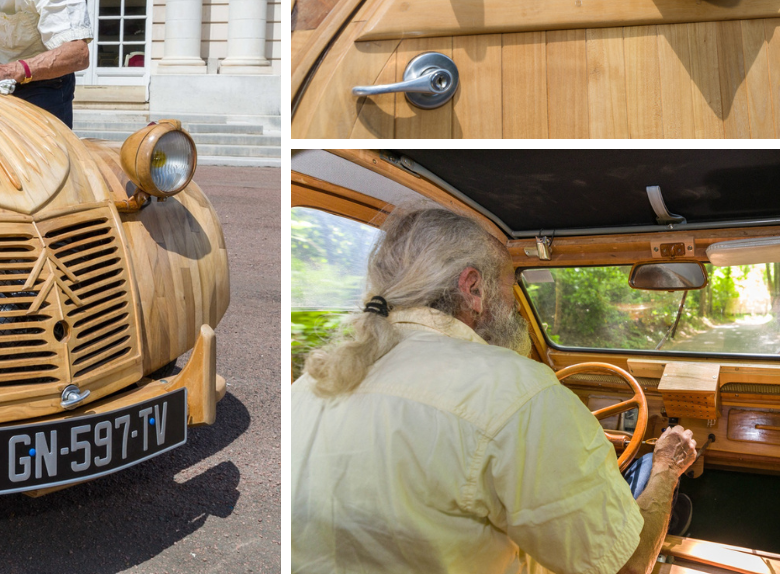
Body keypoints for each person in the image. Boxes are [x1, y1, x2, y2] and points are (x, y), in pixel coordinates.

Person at [292, 206, 697, 574]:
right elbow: (627, 566)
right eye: (509, 285)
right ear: (472, 288)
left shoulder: (310, 383)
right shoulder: (520, 392)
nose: (515, 305)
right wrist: (666, 467)